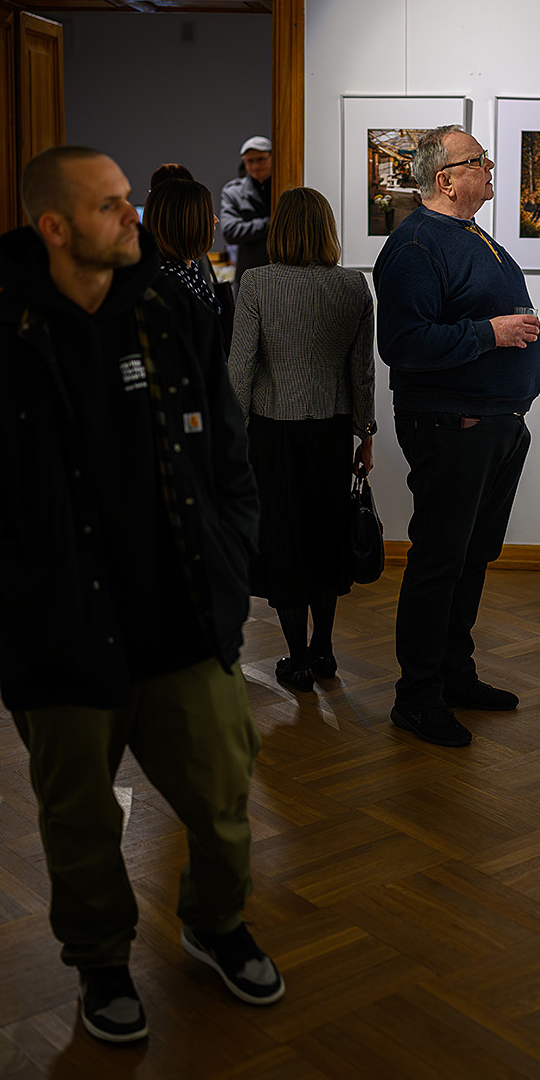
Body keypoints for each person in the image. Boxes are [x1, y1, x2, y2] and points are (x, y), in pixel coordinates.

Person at [0, 145, 283, 1046]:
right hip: (61, 637)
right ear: (55, 227)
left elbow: (228, 451)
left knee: (223, 797)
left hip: (181, 616)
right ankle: (101, 961)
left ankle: (215, 923)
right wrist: (19, 604)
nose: (132, 217)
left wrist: (230, 563)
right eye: (110, 205)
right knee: (79, 823)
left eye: (128, 200)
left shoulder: (169, 311)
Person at [373, 127, 540, 748]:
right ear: (445, 179)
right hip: (453, 425)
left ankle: (453, 676)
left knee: (471, 556)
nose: (490, 166)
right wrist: (491, 334)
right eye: (478, 160)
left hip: (494, 423)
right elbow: (403, 344)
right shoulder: (416, 245)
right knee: (440, 559)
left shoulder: (467, 233)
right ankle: (417, 697)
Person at [228, 187, 376, 693]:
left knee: (283, 539)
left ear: (280, 231)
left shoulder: (257, 282)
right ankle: (324, 649)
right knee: (325, 531)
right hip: (331, 430)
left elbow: (240, 368)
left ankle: (296, 659)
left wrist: (232, 436)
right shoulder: (353, 285)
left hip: (273, 432)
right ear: (327, 230)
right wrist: (366, 435)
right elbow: (362, 372)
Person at [142, 177, 232, 351]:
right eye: (207, 213)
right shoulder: (170, 285)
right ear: (187, 223)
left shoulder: (188, 269)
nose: (215, 220)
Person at [219, 136, 272, 289]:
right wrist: (269, 223)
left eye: (261, 159)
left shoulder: (285, 186)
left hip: (281, 274)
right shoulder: (233, 192)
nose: (255, 166)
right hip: (249, 275)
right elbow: (230, 231)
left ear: (272, 158)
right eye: (250, 161)